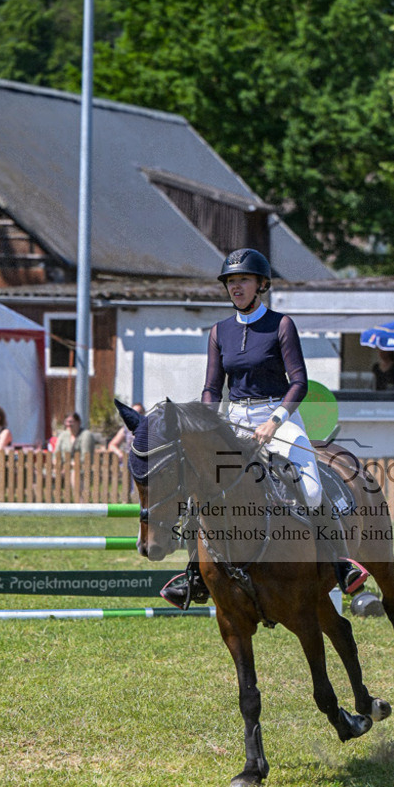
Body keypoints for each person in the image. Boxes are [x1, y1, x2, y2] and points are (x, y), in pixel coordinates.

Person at [161, 247, 368, 610]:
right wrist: (208, 423)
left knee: (312, 485)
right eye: (230, 282)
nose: (235, 287)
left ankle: (340, 565)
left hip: (279, 414)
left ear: (260, 285)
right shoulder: (219, 331)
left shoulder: (281, 325)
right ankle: (194, 575)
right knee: (201, 486)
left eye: (243, 280)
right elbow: (213, 387)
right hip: (235, 420)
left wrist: (275, 421)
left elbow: (299, 382)